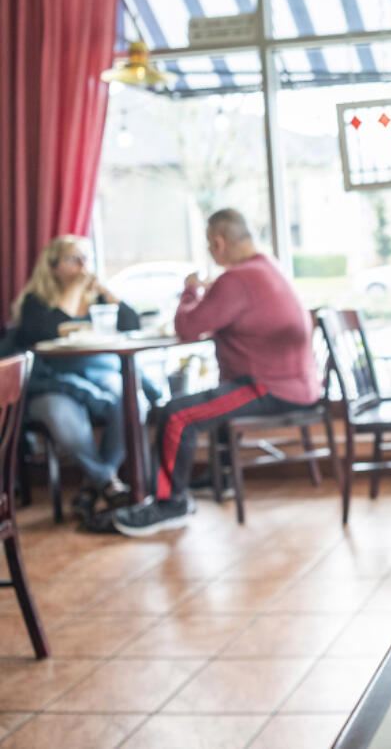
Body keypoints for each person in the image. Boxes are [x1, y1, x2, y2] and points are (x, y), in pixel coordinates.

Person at [111, 208, 320, 536]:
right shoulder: (267, 268)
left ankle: (170, 504)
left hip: (269, 387)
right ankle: (217, 475)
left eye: (210, 245)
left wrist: (190, 290)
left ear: (219, 242)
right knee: (214, 394)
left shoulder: (237, 279)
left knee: (175, 415)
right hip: (297, 384)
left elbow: (188, 327)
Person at [6, 236, 139, 519]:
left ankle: (96, 484)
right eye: (72, 259)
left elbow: (132, 324)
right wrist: (73, 291)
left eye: (85, 258)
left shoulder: (98, 298)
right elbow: (47, 330)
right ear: (52, 267)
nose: (82, 265)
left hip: (99, 371)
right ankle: (108, 481)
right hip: (51, 379)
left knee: (128, 396)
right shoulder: (35, 302)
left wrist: (108, 293)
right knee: (60, 412)